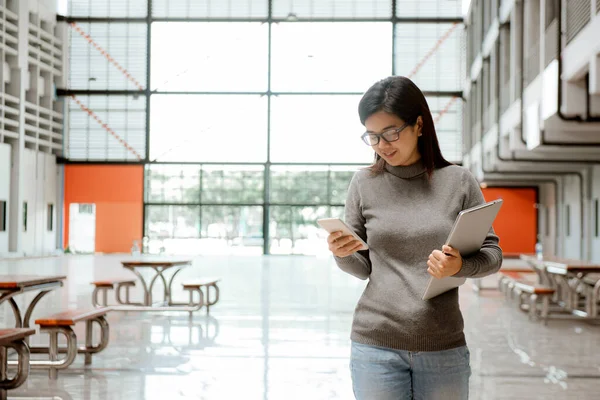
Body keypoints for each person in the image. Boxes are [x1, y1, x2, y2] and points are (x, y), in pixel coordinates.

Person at [327, 76, 502, 400]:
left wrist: (459, 266)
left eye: (391, 132)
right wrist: (342, 252)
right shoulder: (364, 183)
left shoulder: (459, 181)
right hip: (374, 343)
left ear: (419, 124)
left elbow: (492, 255)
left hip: (442, 344)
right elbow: (362, 267)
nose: (382, 145)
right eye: (373, 136)